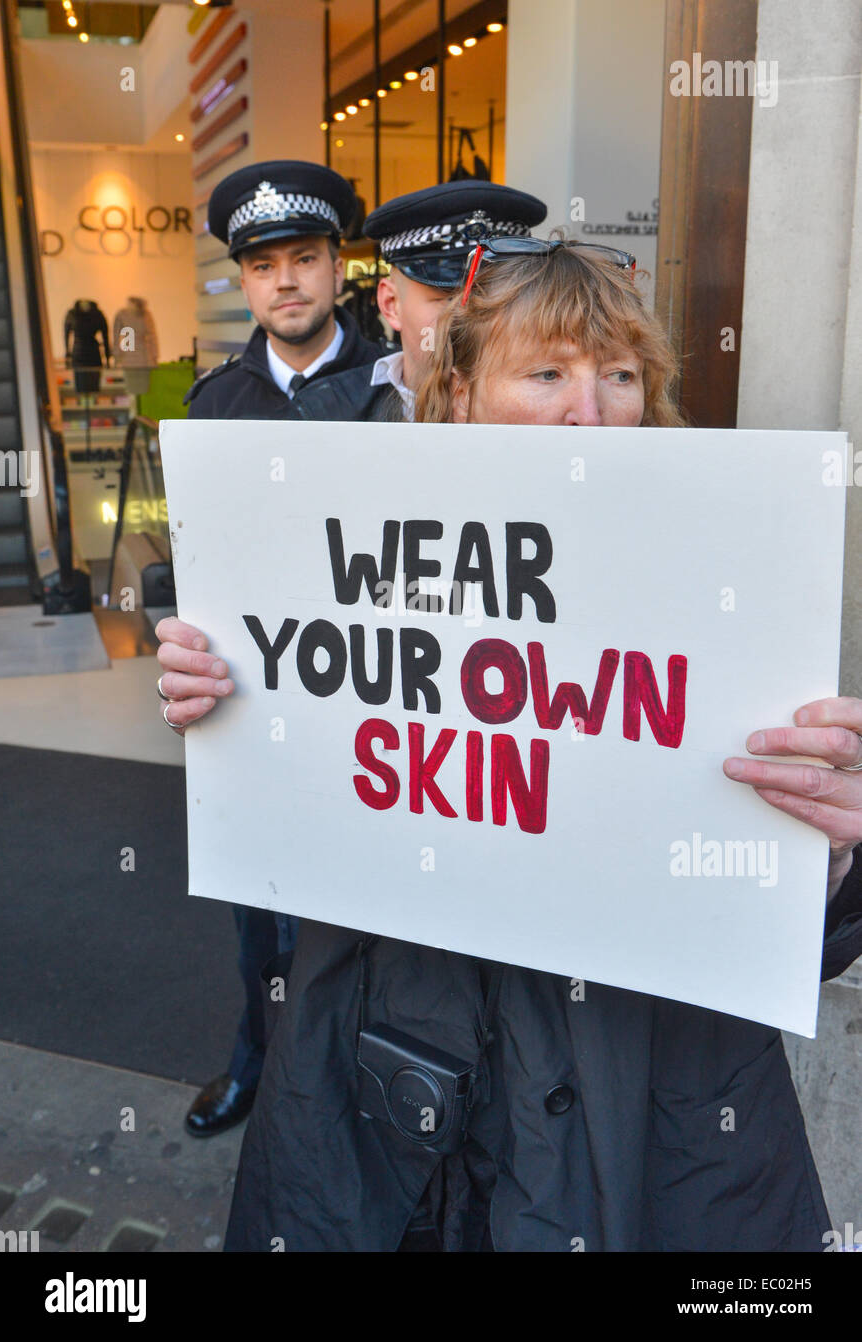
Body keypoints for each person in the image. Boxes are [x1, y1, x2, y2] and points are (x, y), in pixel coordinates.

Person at [162, 240, 862, 1249]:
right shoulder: (357, 546)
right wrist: (224, 702)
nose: (593, 410)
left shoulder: (727, 587)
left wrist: (827, 859)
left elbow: (785, 918)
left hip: (643, 1118)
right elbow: (307, 806)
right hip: (385, 1103)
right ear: (458, 394)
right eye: (548, 373)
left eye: (620, 374)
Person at [160, 160, 385, 1140]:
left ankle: (366, 1091)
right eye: (264, 265)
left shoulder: (402, 389)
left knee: (374, 909)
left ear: (339, 266)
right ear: (243, 282)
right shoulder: (214, 407)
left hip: (378, 698)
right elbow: (193, 567)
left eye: (305, 257)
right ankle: (261, 1060)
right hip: (255, 703)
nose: (286, 281)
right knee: (262, 911)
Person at [295, 179, 547, 424]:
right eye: (448, 299)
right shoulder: (327, 412)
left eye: (496, 297)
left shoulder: (555, 407)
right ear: (391, 304)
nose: (474, 315)